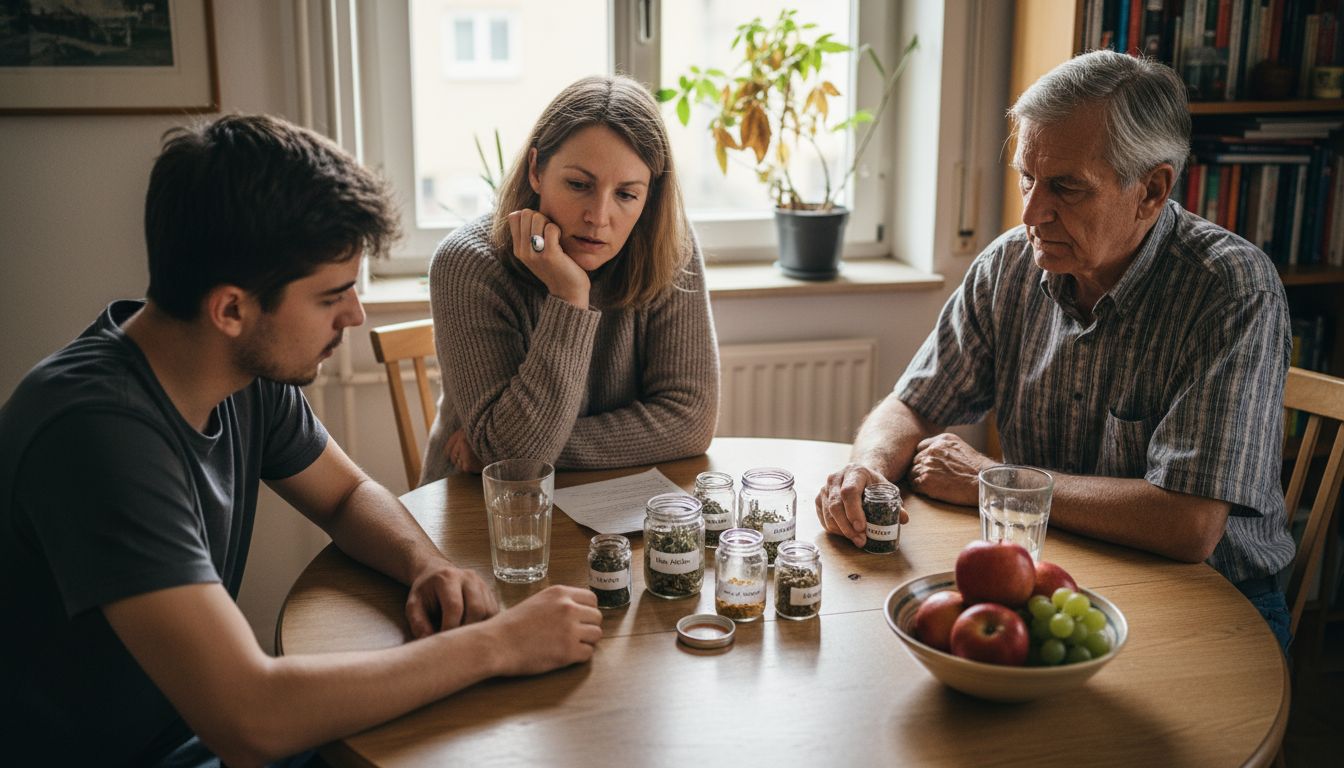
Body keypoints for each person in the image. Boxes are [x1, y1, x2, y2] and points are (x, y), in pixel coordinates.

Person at [0, 114, 603, 767]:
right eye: (332, 296)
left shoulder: (234, 367)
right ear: (231, 309)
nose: (356, 315)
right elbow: (250, 717)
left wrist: (429, 566)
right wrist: (501, 645)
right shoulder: (94, 435)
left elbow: (345, 496)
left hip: (184, 732)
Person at [815, 50, 1296, 650]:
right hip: (1048, 573)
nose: (1031, 213)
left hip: (1212, 595)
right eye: (1026, 177)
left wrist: (999, 482)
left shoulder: (1229, 288)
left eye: (1066, 187)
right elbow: (913, 404)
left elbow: (1188, 524)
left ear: (1151, 190)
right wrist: (867, 467)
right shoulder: (1010, 264)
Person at [421, 74, 719, 482]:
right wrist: (569, 296)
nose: (598, 216)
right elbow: (516, 466)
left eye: (627, 194)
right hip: (480, 512)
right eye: (579, 184)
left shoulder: (671, 251)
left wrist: (526, 447)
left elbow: (690, 422)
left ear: (650, 196)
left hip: (614, 506)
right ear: (536, 170)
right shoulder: (468, 264)